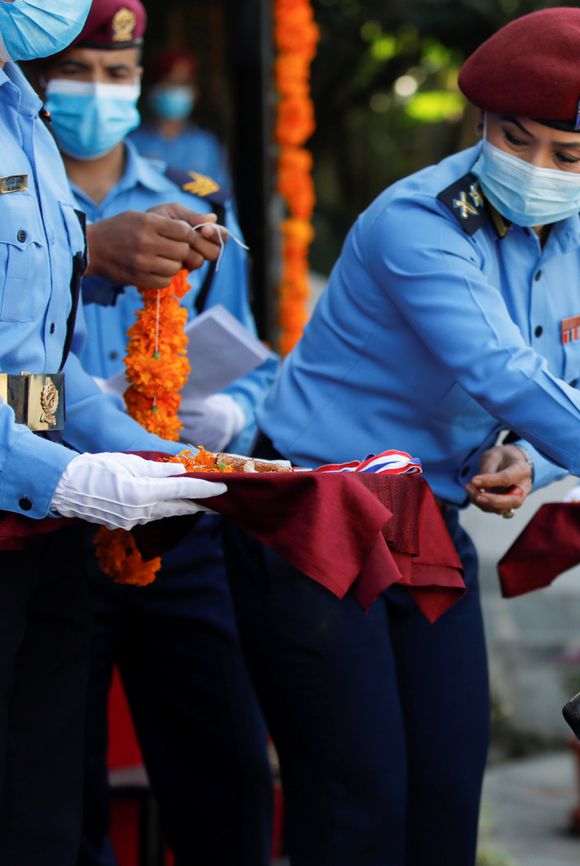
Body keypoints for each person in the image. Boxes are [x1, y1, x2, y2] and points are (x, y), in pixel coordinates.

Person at [226, 8, 580, 865]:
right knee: (354, 797)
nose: (539, 169)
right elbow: (506, 373)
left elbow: (566, 402)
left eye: (570, 155)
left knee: (446, 788)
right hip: (314, 514)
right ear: (480, 124)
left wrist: (528, 457)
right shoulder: (420, 225)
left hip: (428, 524)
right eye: (516, 142)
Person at [31, 4, 277, 865]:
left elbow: (252, 354)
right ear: (35, 79)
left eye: (118, 74)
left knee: (227, 768)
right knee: (54, 785)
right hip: (46, 512)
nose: (100, 92)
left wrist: (230, 417)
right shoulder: (14, 199)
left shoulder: (196, 200)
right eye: (80, 71)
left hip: (175, 513)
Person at [129, 49, 229, 189]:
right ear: (152, 89)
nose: (175, 90)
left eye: (182, 83)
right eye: (169, 82)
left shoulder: (207, 145)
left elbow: (223, 198)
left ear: (195, 92)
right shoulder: (131, 144)